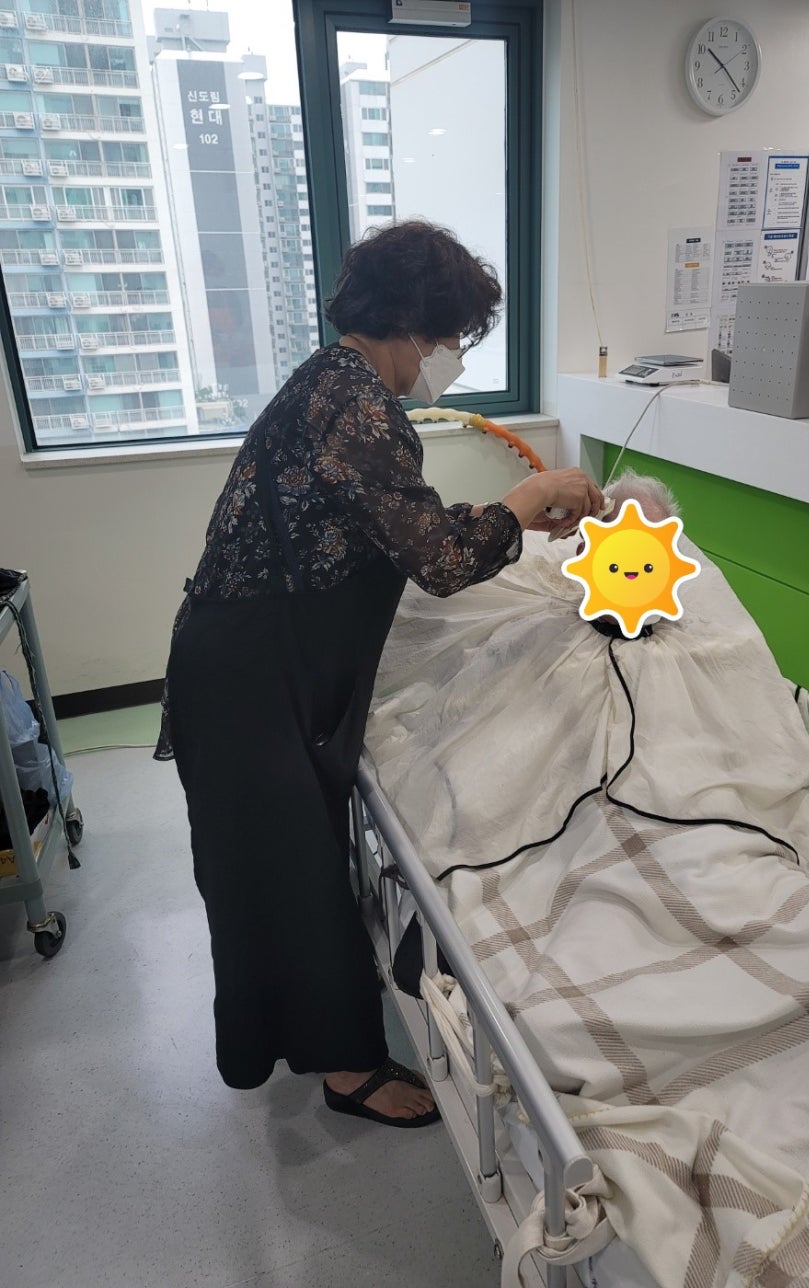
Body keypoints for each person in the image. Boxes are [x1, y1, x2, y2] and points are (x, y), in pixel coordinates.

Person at [154, 219, 603, 1127]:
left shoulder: (333, 385)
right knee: (284, 875)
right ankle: (347, 1070)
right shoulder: (353, 403)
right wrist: (525, 498)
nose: (452, 358)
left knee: (285, 866)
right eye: (451, 337)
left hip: (255, 661)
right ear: (409, 322)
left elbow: (398, 522)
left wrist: (511, 516)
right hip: (249, 677)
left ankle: (314, 1041)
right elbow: (439, 558)